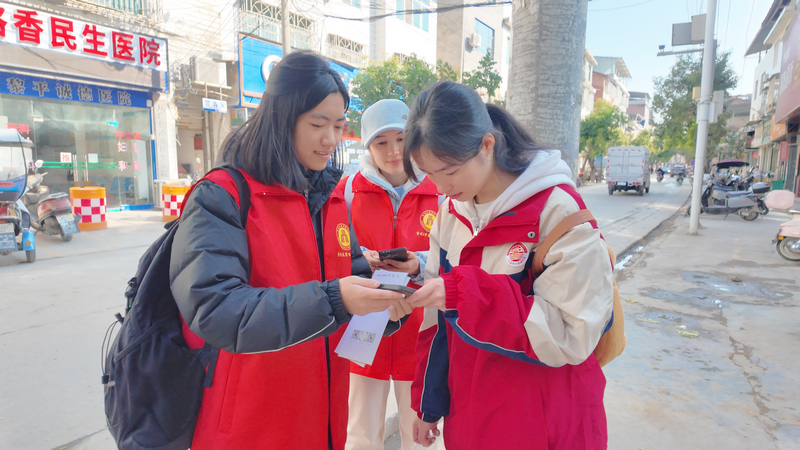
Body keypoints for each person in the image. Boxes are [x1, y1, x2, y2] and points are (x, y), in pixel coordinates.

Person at [169, 52, 408, 450]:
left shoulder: (330, 198)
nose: (330, 139)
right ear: (282, 118)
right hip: (252, 421)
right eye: (318, 124)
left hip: (323, 413)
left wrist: (381, 308)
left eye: (338, 125)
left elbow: (338, 297)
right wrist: (335, 298)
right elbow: (213, 308)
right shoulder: (223, 195)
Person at [402, 81, 614, 449]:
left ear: (487, 145)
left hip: (543, 421)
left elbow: (572, 332)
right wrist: (427, 403)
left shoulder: (558, 213)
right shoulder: (451, 213)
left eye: (449, 172)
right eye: (428, 173)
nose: (439, 187)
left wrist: (465, 293)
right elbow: (438, 328)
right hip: (471, 417)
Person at [336, 99, 441, 450]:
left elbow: (456, 255)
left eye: (401, 138)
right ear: (367, 145)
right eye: (381, 142)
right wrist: (360, 261)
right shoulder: (349, 191)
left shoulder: (440, 190)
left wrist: (418, 265)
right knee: (361, 432)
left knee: (420, 432)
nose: (394, 151)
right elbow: (334, 254)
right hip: (366, 324)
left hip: (421, 326)